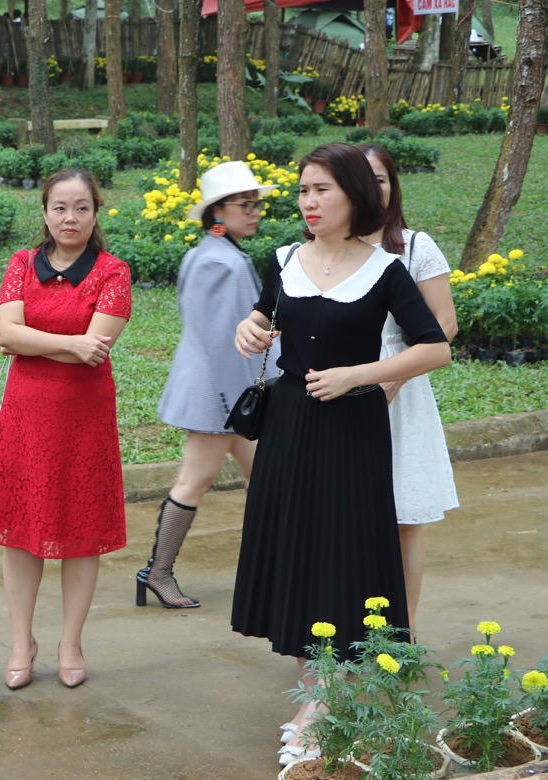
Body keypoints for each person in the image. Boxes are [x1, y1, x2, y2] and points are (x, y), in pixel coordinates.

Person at [229, 143, 450, 765]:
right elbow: (263, 318)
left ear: (354, 194)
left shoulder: (386, 270)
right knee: (297, 549)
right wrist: (250, 328)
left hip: (353, 427)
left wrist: (359, 375)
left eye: (321, 189)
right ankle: (316, 690)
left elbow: (435, 347)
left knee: (342, 553)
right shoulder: (284, 259)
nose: (309, 201)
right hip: (290, 425)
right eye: (303, 191)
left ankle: (323, 701)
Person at [0, 168, 132, 690]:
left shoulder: (113, 272)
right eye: (60, 208)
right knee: (21, 532)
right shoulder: (21, 263)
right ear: (45, 212)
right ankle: (20, 641)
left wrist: (37, 340)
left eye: (81, 208)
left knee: (81, 531)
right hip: (26, 416)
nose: (70, 218)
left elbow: (97, 348)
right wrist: (70, 343)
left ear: (95, 213)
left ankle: (71, 642)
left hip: (84, 419)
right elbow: (7, 334)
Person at [139, 160, 277, 609]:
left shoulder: (218, 254)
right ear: (218, 211)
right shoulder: (220, 261)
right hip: (219, 398)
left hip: (225, 395)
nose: (255, 212)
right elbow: (221, 342)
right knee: (193, 482)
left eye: (257, 204)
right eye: (245, 205)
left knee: (267, 479)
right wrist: (241, 401)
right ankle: (158, 573)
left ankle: (275, 569)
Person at [359, 142, 459, 634]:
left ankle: (403, 631)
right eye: (362, 178)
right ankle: (347, 627)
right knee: (347, 518)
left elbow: (445, 324)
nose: (372, 188)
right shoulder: (325, 249)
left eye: (380, 179)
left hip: (402, 394)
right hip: (341, 389)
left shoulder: (415, 247)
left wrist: (394, 377)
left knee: (405, 518)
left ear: (392, 186)